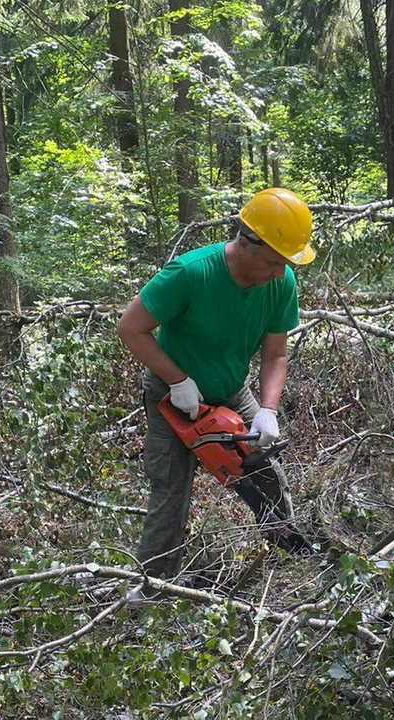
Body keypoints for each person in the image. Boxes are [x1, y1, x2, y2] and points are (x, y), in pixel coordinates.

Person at [117, 187, 315, 581]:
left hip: (230, 390)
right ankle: (152, 591)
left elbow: (275, 353)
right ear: (246, 242)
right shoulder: (190, 273)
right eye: (275, 261)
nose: (280, 272)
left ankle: (291, 566)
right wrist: (178, 380)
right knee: (170, 496)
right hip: (171, 399)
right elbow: (130, 328)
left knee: (267, 473)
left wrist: (268, 410)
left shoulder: (281, 282)